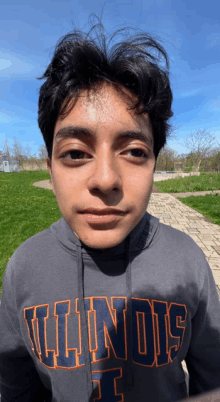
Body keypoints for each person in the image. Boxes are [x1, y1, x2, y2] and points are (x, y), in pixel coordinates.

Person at [0, 22, 220, 402]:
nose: (105, 179)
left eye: (134, 151)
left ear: (154, 166)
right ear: (50, 170)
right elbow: (16, 390)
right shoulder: (24, 269)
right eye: (75, 153)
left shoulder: (188, 262)